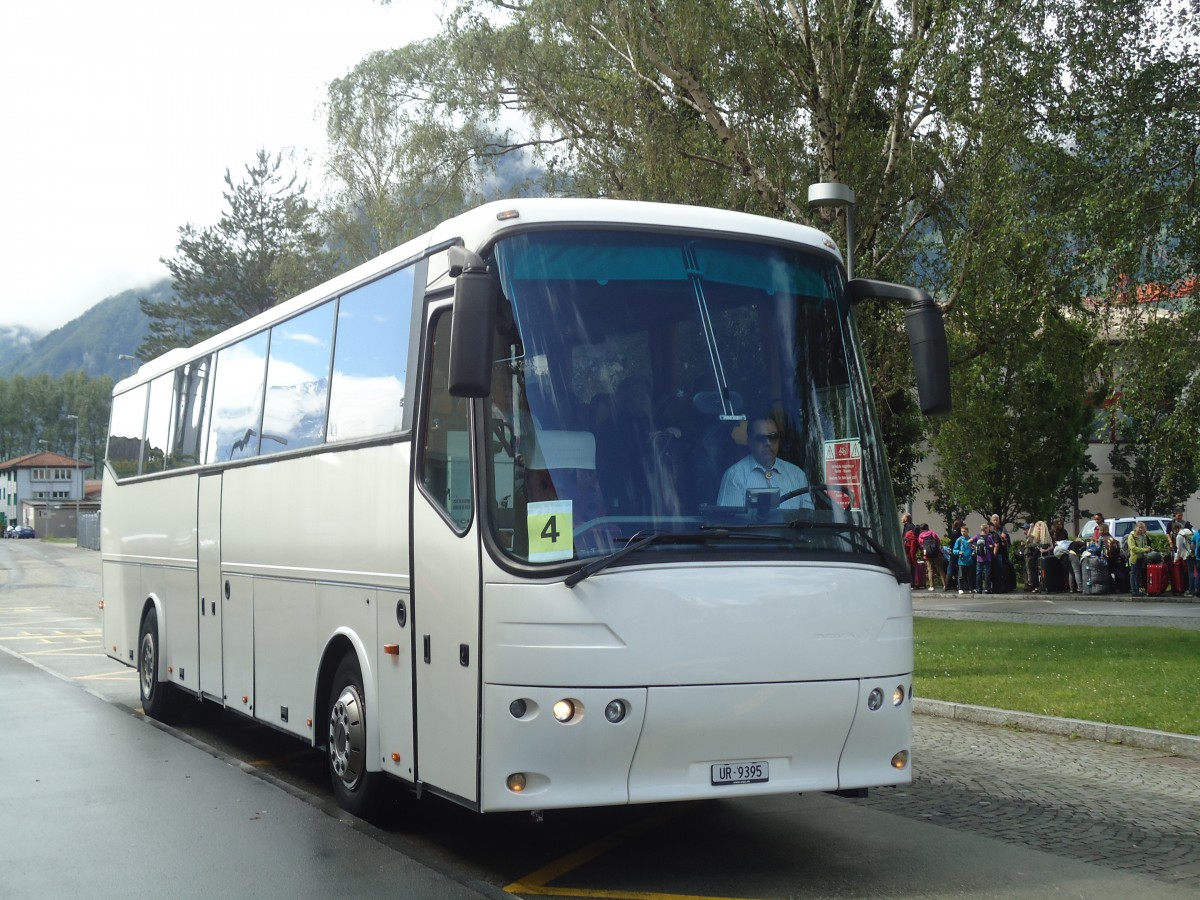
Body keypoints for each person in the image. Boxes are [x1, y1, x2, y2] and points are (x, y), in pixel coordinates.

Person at [717, 417, 814, 510]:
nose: (768, 443)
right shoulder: (735, 476)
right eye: (760, 438)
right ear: (749, 442)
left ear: (779, 439)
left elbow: (808, 519)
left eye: (773, 437)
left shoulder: (797, 475)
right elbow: (728, 522)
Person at [918, 523, 948, 591]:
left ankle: (931, 586)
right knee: (940, 569)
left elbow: (921, 545)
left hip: (927, 554)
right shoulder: (932, 533)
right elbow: (938, 541)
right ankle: (945, 585)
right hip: (936, 553)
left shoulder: (920, 535)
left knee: (930, 569)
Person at [1127, 520, 1150, 596]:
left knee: (1138, 574)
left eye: (1142, 528)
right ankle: (1134, 590)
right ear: (1136, 527)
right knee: (1133, 574)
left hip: (1141, 557)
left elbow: (1144, 545)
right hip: (1134, 558)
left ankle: (1138, 590)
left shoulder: (1143, 536)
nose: (1140, 529)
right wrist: (1145, 550)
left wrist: (1148, 548)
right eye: (1139, 527)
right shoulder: (1131, 536)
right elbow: (1133, 548)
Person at [953, 525, 976, 594]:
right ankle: (960, 588)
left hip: (969, 560)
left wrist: (974, 552)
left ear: (967, 532)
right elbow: (954, 549)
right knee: (961, 576)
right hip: (961, 561)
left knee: (970, 576)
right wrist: (958, 552)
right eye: (962, 531)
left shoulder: (971, 540)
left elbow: (974, 548)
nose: (963, 533)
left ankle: (971, 588)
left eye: (964, 531)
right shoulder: (959, 540)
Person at [973, 522, 994, 594]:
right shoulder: (988, 537)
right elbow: (993, 545)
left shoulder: (977, 536)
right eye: (988, 528)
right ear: (985, 529)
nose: (989, 530)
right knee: (987, 573)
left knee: (978, 573)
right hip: (987, 557)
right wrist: (990, 547)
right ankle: (987, 589)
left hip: (979, 558)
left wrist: (975, 547)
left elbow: (968, 541)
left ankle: (979, 589)